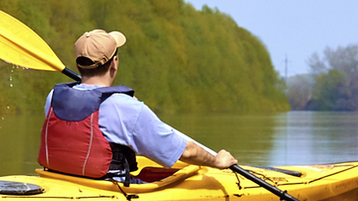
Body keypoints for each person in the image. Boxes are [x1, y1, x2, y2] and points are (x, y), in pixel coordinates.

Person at [38, 29, 240, 181]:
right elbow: (184, 152)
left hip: (62, 180)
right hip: (108, 188)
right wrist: (217, 160)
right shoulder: (125, 107)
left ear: (78, 64)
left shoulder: (54, 96)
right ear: (114, 63)